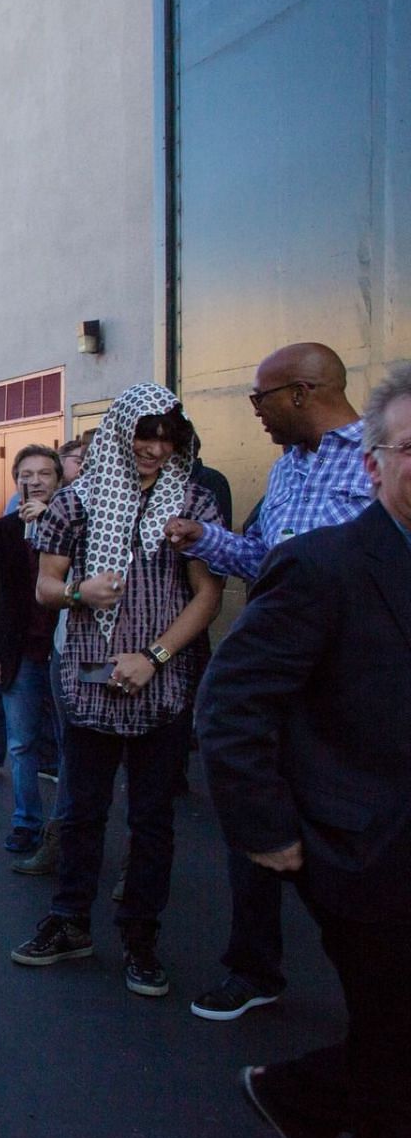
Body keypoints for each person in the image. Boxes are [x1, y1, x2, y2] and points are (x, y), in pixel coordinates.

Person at [197, 361, 411, 1138]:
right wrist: (270, 831)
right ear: (374, 461)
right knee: (396, 1056)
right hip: (366, 853)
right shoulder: (327, 567)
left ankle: (295, 1095)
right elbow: (232, 703)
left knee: (393, 1044)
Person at [164, 342, 373, 1022]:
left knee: (357, 826)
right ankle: (253, 968)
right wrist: (203, 538)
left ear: (304, 392)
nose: (253, 410)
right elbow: (262, 560)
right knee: (250, 815)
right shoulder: (288, 470)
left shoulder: (380, 459)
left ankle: (374, 985)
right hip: (278, 675)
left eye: (261, 397)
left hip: (349, 682)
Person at [10, 384, 224, 996]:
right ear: (121, 433)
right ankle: (71, 921)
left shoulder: (193, 503)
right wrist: (81, 593)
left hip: (161, 683)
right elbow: (46, 588)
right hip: (90, 679)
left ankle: (141, 939)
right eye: (144, 434)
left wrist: (155, 657)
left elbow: (207, 595)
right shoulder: (74, 503)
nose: (155, 448)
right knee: (80, 811)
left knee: (153, 819)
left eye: (166, 437)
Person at [0, 445, 65, 854]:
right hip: (20, 653)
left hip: (67, 652)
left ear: (59, 481)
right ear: (16, 482)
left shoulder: (76, 529)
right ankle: (27, 821)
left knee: (70, 746)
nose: (36, 481)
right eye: (27, 474)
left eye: (45, 473)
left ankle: (66, 828)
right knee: (22, 743)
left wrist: (52, 524)